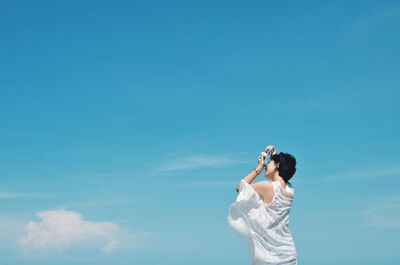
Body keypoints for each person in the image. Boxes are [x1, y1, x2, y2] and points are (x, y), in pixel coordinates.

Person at [227, 145, 298, 265]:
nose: (266, 165)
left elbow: (240, 188)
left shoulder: (267, 187)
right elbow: (281, 180)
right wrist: (274, 156)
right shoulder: (290, 190)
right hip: (288, 253)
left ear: (277, 166)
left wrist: (258, 168)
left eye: (268, 162)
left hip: (270, 258)